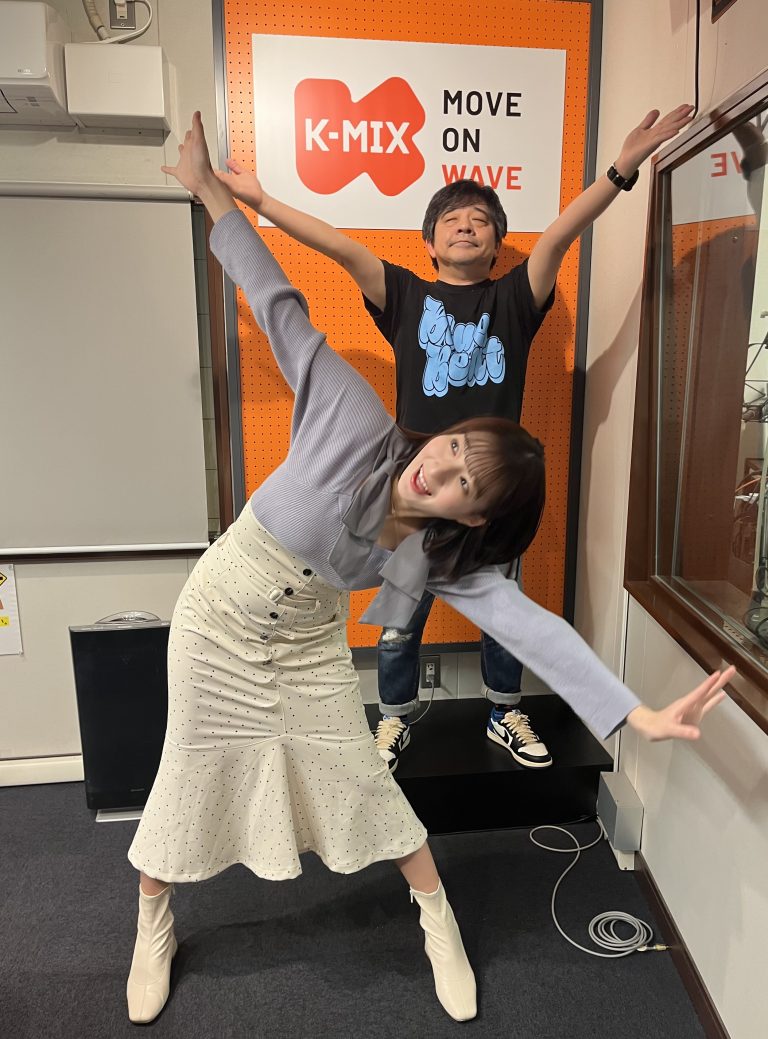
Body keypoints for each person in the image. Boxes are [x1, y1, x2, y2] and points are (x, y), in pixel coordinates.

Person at [124, 112, 733, 1027]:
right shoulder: (350, 415)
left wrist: (633, 713)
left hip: (305, 643)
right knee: (188, 770)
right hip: (217, 616)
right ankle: (153, 924)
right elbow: (276, 298)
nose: (433, 471)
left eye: (461, 483)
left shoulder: (438, 552)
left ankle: (436, 918)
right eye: (449, 447)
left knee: (363, 779)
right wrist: (213, 191)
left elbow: (532, 628)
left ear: (475, 516)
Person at [214, 103, 696, 774]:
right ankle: (393, 715)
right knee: (399, 619)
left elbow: (560, 235)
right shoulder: (406, 296)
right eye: (451, 219)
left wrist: (621, 167)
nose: (466, 225)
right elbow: (341, 249)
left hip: (487, 489)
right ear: (430, 244)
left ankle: (504, 711)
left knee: (504, 609)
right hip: (410, 489)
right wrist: (261, 202)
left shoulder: (515, 300)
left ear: (496, 245)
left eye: (481, 220)